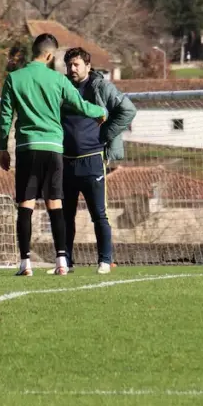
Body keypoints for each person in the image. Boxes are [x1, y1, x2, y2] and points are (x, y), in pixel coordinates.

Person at [0, 33, 106, 277]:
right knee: (55, 203)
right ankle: (61, 261)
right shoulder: (58, 79)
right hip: (53, 148)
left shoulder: (14, 78)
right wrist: (101, 111)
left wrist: (2, 147)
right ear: (49, 55)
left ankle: (25, 264)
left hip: (27, 147)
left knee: (25, 204)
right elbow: (80, 105)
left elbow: (5, 116)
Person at [58, 47, 136, 274]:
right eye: (69, 65)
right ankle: (65, 263)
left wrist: (105, 134)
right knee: (65, 215)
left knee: (99, 214)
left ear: (88, 66)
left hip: (92, 160)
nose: (72, 69)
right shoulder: (61, 87)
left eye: (76, 64)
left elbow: (128, 110)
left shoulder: (101, 87)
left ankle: (104, 260)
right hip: (65, 161)